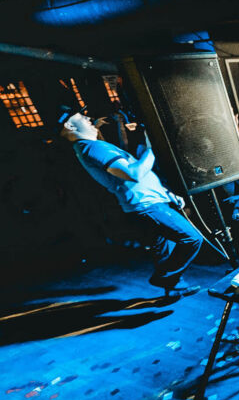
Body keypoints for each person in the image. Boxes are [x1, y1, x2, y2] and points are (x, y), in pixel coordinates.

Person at [58, 105, 202, 295]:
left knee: (163, 247)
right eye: (82, 118)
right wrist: (153, 148)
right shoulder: (92, 147)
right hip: (147, 205)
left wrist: (166, 193)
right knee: (192, 238)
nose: (88, 118)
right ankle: (165, 277)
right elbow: (134, 174)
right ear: (70, 126)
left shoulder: (91, 146)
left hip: (149, 202)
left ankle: (172, 288)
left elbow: (135, 175)